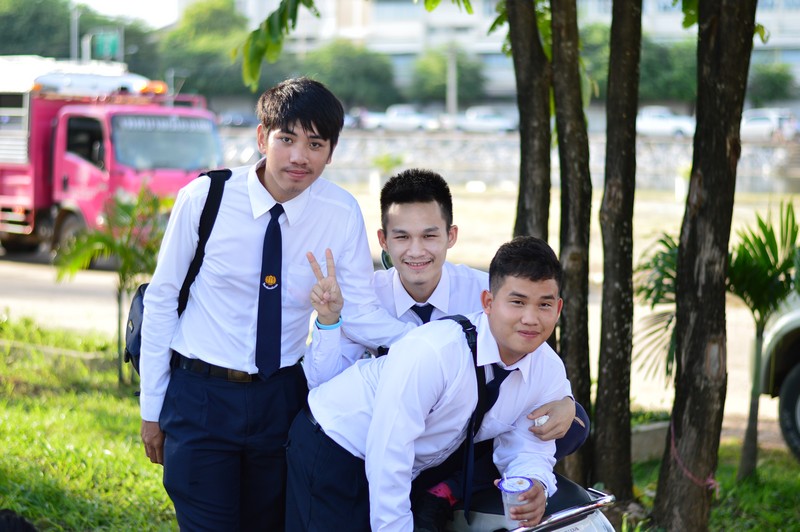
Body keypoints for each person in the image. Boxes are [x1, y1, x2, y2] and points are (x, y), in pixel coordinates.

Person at [138, 77, 411, 531]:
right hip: (200, 396)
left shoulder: (340, 212)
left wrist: (442, 338)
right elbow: (162, 300)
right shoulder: (205, 198)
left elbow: (361, 313)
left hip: (281, 399)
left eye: (315, 144)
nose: (300, 156)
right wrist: (151, 409)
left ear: (331, 151)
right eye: (287, 139)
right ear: (262, 137)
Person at [304, 169, 588, 528]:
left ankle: (445, 491)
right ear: (383, 240)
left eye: (429, 235)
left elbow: (535, 371)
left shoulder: (488, 292)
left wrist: (566, 402)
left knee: (573, 423)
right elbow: (324, 383)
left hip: (443, 442)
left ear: (450, 236)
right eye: (402, 236)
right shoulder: (362, 299)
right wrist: (329, 320)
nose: (416, 250)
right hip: (362, 437)